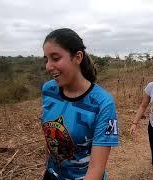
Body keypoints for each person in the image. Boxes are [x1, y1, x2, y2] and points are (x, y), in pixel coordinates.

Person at [41, 28, 119, 180]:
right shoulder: (49, 90)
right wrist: (47, 168)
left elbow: (96, 169)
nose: (48, 66)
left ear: (77, 57)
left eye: (55, 58)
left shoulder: (103, 103)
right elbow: (49, 136)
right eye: (46, 60)